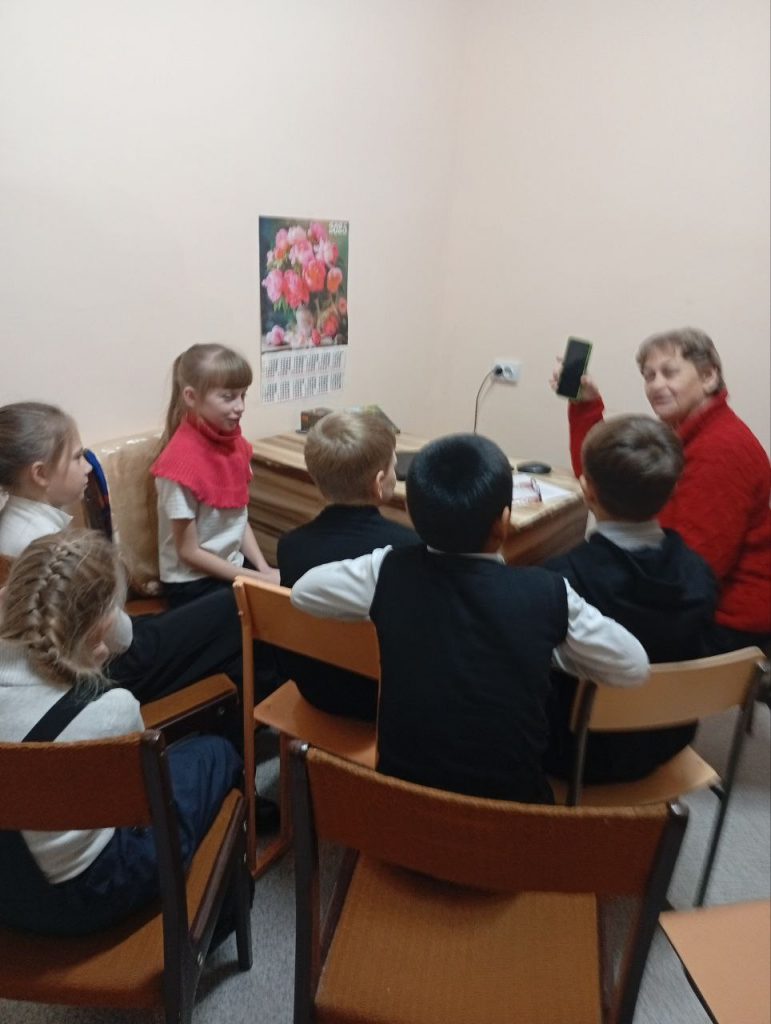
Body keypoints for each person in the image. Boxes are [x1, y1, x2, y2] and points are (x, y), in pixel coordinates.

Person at [291, 433, 649, 804]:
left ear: (412, 513)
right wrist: (547, 649)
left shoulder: (387, 570)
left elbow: (304, 591)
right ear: (504, 522)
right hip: (510, 818)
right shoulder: (548, 592)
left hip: (399, 806)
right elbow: (633, 666)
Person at [0, 530, 242, 936]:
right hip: (87, 897)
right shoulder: (111, 710)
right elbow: (145, 808)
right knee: (215, 753)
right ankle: (220, 920)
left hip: (9, 891)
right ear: (102, 627)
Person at [0, 401, 245, 705]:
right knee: (232, 607)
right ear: (40, 473)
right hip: (101, 668)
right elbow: (121, 637)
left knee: (213, 619)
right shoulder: (41, 544)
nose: (87, 467)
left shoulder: (13, 523)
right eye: (77, 457)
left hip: (94, 648)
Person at [553, 327, 770, 654]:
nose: (655, 385)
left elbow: (693, 574)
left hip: (723, 624)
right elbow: (607, 482)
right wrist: (586, 407)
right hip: (692, 600)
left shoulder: (721, 450)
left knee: (558, 621)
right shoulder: (684, 435)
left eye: (669, 372)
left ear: (709, 377)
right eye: (649, 375)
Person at [543, 414, 717, 783]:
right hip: (667, 740)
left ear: (588, 490)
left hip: (574, 752)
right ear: (671, 492)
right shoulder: (699, 573)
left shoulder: (561, 580)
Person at [278, 410, 418, 719]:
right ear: (379, 483)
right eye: (393, 465)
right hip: (383, 700)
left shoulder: (289, 546)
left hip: (315, 692)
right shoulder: (408, 550)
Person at [151, 343, 278, 609]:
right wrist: (257, 580)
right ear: (191, 396)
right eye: (228, 397)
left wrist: (263, 568)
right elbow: (189, 552)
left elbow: (237, 518)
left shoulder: (235, 445)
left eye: (243, 395)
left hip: (230, 568)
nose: (240, 407)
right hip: (191, 582)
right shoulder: (178, 465)